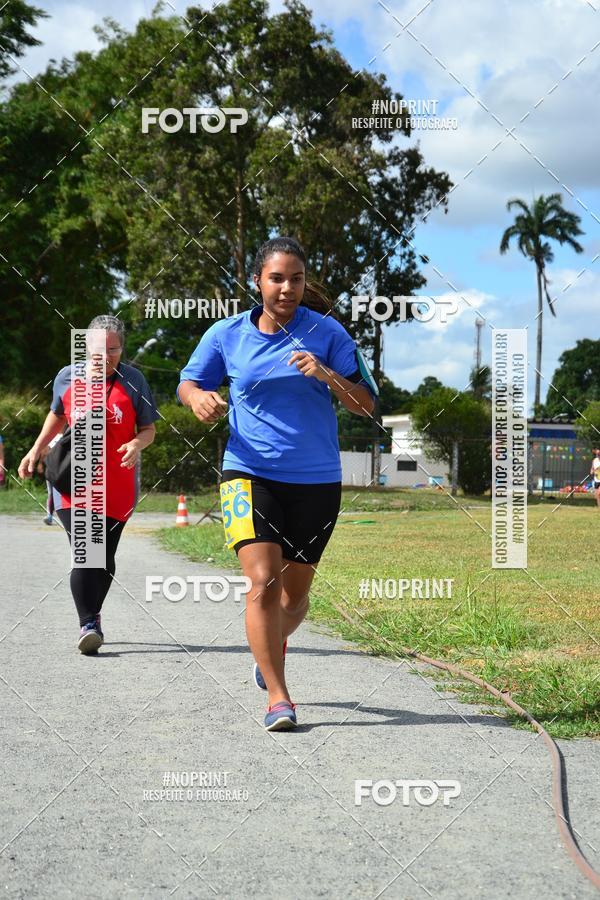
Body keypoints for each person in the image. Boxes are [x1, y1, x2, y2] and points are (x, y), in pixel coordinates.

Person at [178, 237, 378, 730]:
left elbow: (366, 405)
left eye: (296, 279)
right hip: (247, 471)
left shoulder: (328, 332)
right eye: (276, 278)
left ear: (305, 283)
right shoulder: (227, 335)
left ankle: (265, 648)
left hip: (315, 479)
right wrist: (198, 399)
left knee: (294, 596)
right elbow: (187, 382)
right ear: (257, 283)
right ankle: (279, 695)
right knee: (262, 581)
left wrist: (326, 373)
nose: (287, 287)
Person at [18, 315, 159, 654]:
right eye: (97, 349)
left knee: (105, 558)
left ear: (121, 348)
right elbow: (56, 414)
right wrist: (36, 449)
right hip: (74, 481)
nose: (104, 356)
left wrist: (137, 445)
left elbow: (149, 429)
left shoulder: (135, 380)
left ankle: (92, 615)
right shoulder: (68, 377)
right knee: (87, 550)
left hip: (119, 484)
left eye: (112, 349)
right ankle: (88, 623)